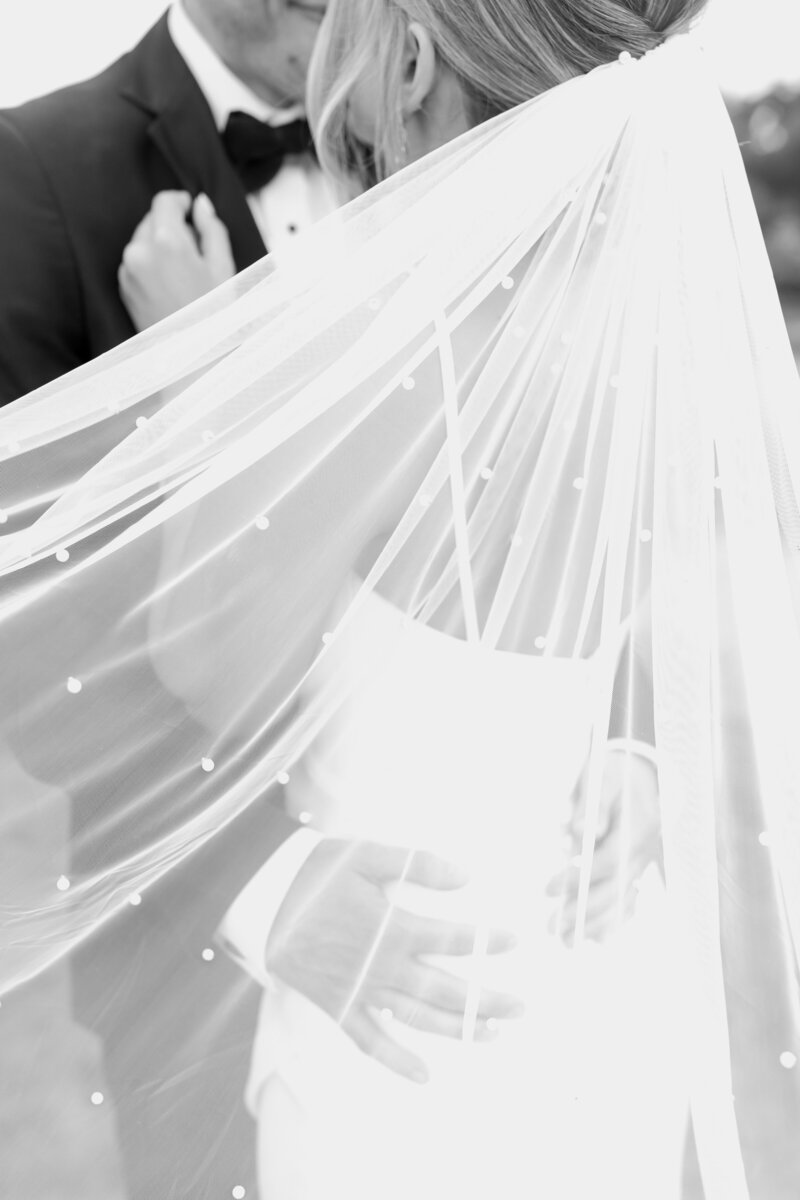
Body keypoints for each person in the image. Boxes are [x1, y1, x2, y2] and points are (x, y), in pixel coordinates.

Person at [3, 0, 800, 1197]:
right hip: (565, 1000)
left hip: (403, 1054)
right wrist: (272, 891)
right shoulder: (641, 319)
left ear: (414, 58)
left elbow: (196, 658)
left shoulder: (361, 357)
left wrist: (227, 377)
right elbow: (35, 627)